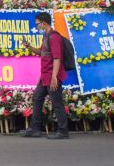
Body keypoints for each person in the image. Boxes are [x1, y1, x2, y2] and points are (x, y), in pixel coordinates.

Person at [20, 12, 69, 140]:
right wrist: (29, 46)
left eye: (38, 24)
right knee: (37, 98)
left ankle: (63, 131)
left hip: (52, 76)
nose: (37, 26)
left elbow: (57, 58)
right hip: (45, 76)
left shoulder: (54, 37)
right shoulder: (46, 36)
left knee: (57, 103)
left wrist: (54, 77)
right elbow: (40, 52)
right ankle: (35, 129)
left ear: (44, 22)